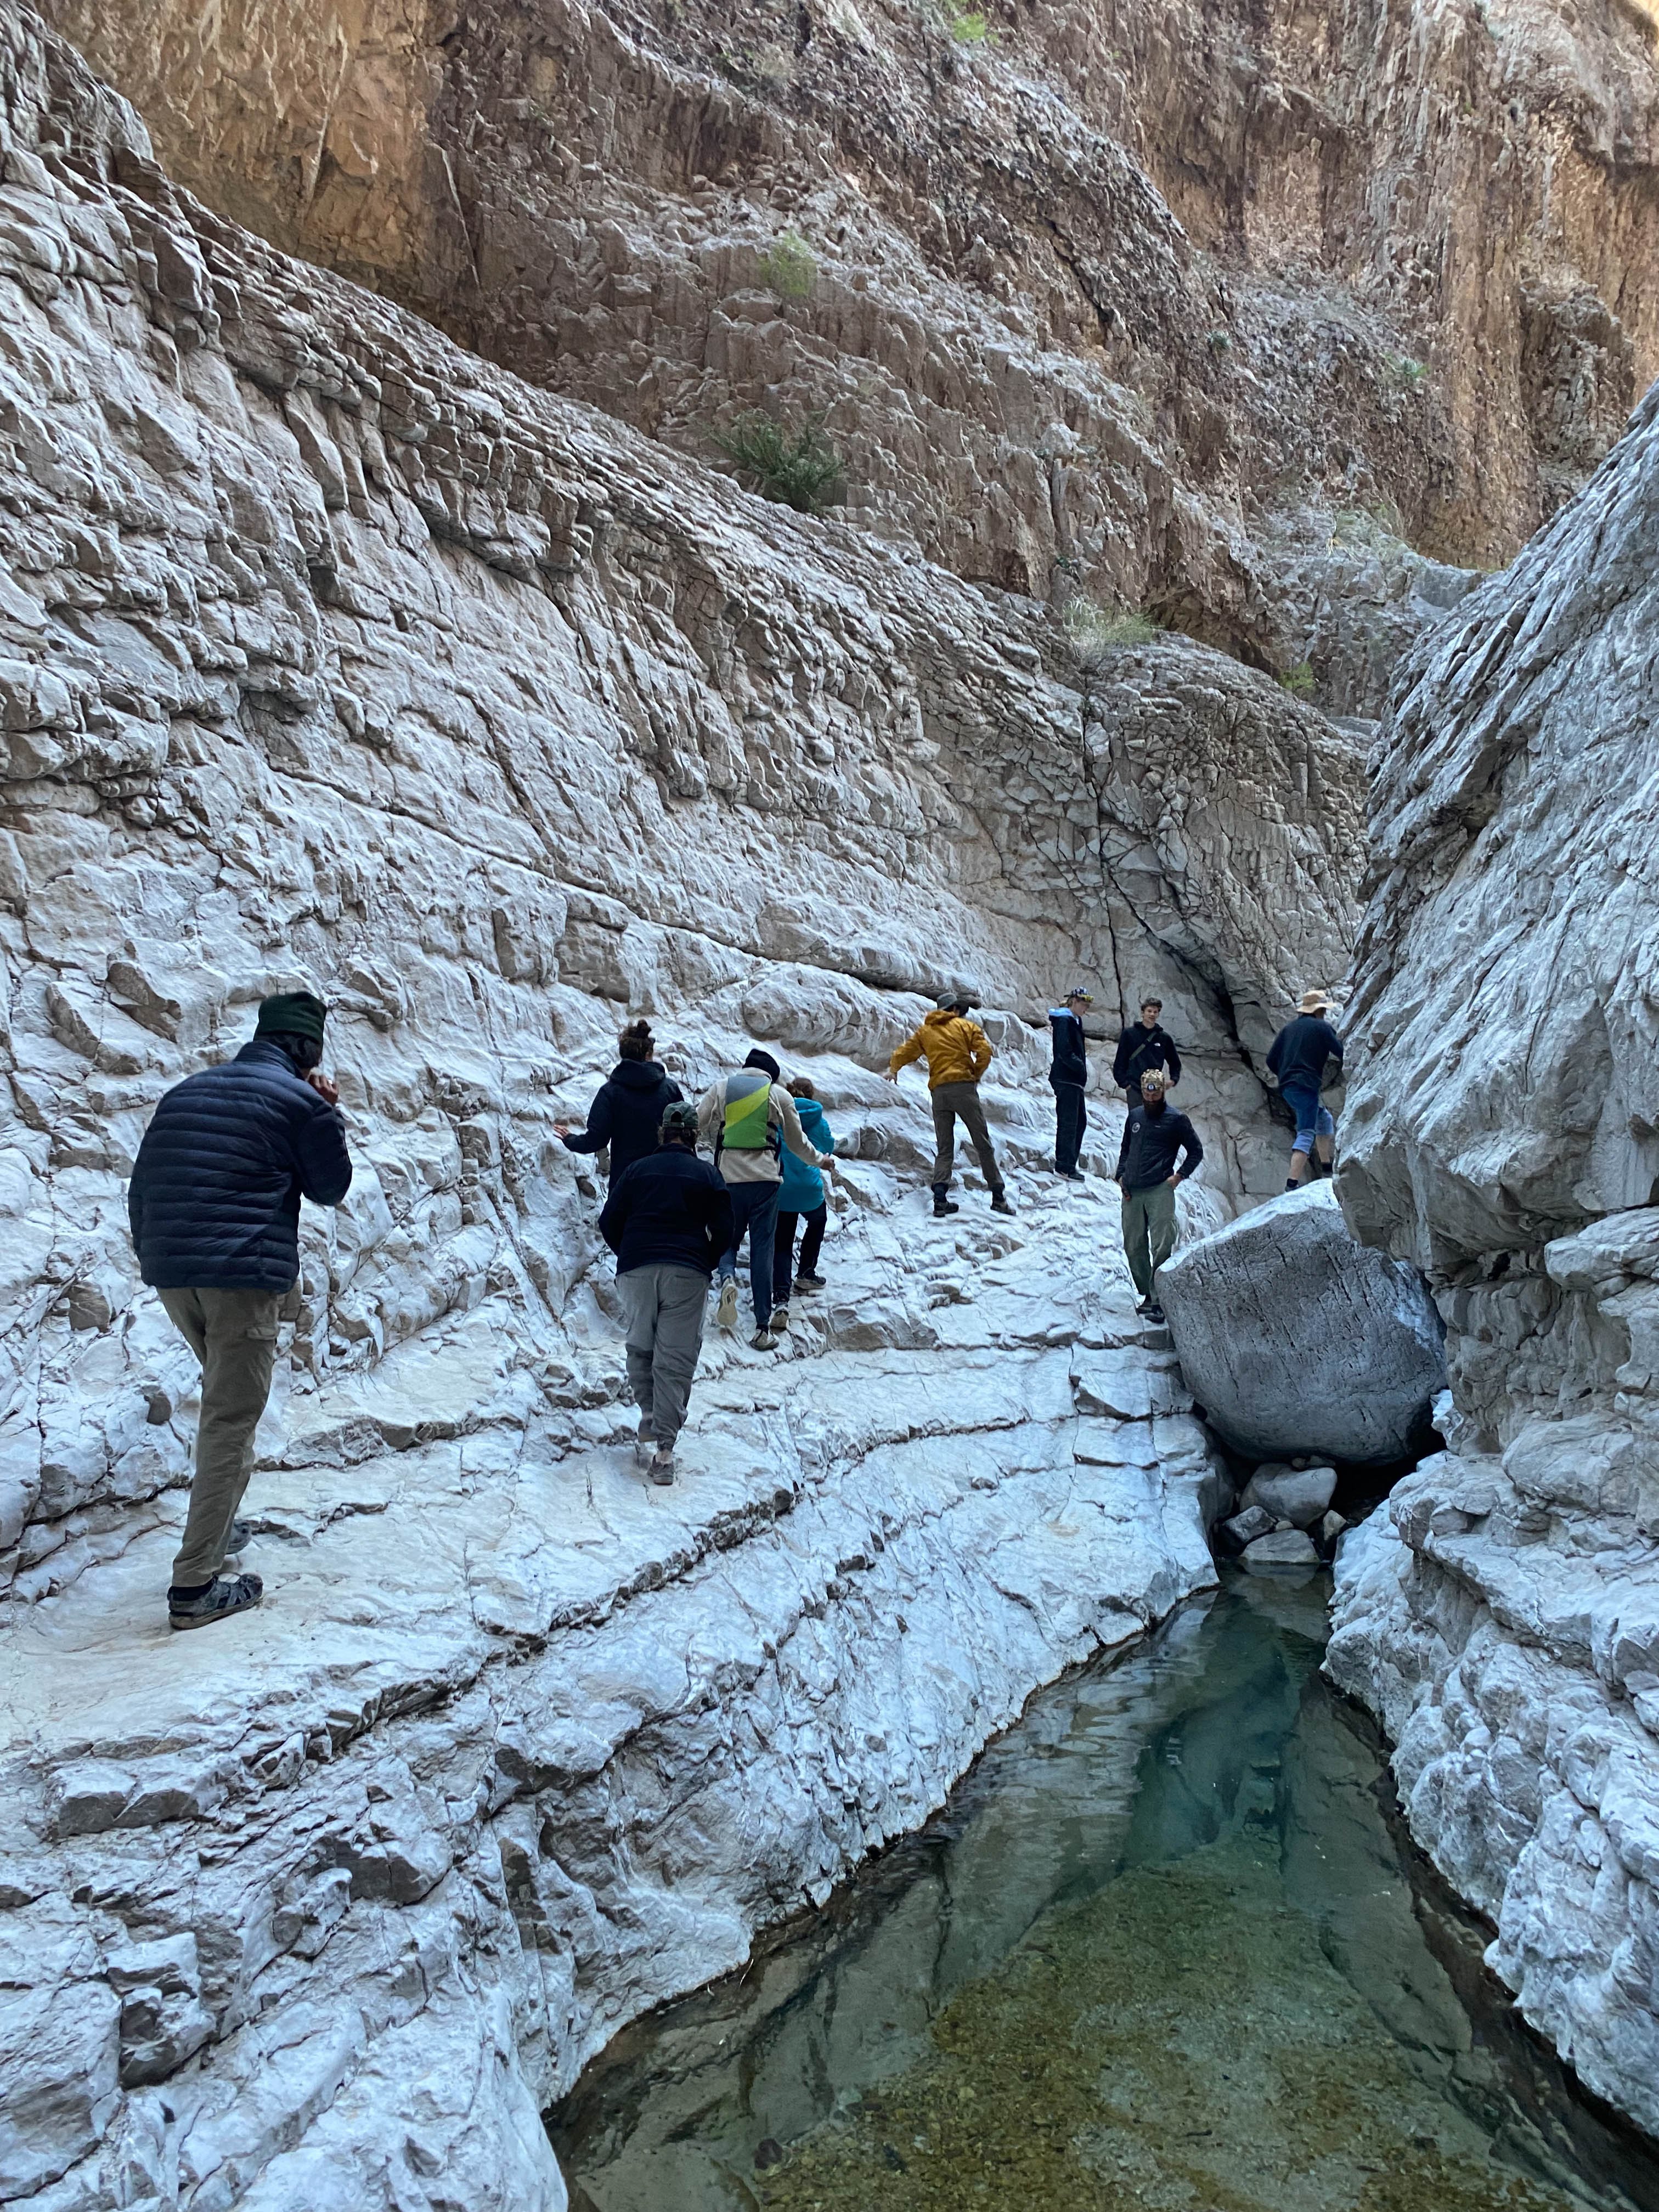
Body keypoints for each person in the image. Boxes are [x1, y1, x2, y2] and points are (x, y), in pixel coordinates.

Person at [127, 991, 352, 1631]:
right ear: (310, 1049)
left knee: (225, 1403)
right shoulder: (304, 1103)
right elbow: (331, 1188)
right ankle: (195, 1586)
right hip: (242, 1276)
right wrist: (328, 1114)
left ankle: (219, 1528)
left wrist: (157, 1256)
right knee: (232, 1420)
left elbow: (141, 1187)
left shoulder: (188, 1091)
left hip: (173, 1272)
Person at [598, 1100, 733, 1486]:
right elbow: (726, 1228)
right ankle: (664, 1453)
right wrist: (704, 1259)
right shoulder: (707, 1175)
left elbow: (609, 1220)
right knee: (674, 1359)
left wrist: (630, 1253)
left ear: (663, 1134)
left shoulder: (636, 1171)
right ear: (694, 1136)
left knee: (641, 1347)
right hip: (686, 1271)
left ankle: (648, 1416)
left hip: (636, 1269)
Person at [696, 1049, 835, 1349]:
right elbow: (798, 1144)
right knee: (762, 1250)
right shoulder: (778, 1094)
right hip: (766, 1183)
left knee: (727, 1240)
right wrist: (820, 1161)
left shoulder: (722, 1088)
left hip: (728, 1180)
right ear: (769, 1075)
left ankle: (727, 1279)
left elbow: (695, 1124)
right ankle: (762, 1328)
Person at [885, 994, 1014, 1218]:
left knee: (945, 1147)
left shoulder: (926, 1032)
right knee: (982, 1143)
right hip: (963, 1088)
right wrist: (975, 1074)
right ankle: (998, 1197)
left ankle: (940, 1199)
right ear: (954, 1009)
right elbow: (985, 1052)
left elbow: (905, 1052)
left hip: (939, 1092)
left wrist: (894, 1069)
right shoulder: (966, 1027)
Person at [1114, 1067, 1203, 1322]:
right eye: (1147, 1091)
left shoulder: (1177, 1120)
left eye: (1156, 1091)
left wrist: (1179, 1177)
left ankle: (1159, 1299)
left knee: (1162, 1244)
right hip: (1131, 1190)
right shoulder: (1135, 1117)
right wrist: (1121, 1176)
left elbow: (1196, 1151)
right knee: (1133, 1245)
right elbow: (1126, 1149)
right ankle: (1147, 1294)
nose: (1151, 1096)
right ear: (1142, 1091)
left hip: (1160, 1189)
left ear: (1163, 1090)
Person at [556, 1018, 682, 1188]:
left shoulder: (610, 1092)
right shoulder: (670, 1089)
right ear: (648, 1054)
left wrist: (570, 1139)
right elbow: (684, 1136)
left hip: (625, 1183)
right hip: (664, 1181)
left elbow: (596, 1140)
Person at [772, 1076, 834, 1330]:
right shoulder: (818, 1120)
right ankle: (806, 1272)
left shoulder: (778, 1115)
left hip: (782, 1186)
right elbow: (828, 1147)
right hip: (809, 1188)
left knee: (783, 1241)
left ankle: (781, 1296)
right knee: (818, 1220)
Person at [1266, 989, 1344, 1190]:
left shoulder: (1288, 1029)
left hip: (1288, 1088)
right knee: (1306, 1132)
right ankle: (1291, 1185)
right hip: (1307, 1086)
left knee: (1323, 1119)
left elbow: (1271, 1060)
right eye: (1323, 1010)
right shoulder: (1322, 1027)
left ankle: (1327, 1170)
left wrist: (1286, 1074)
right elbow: (1341, 1052)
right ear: (1318, 1010)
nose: (1325, 1014)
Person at [1048, 988, 1093, 1179]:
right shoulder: (1065, 1021)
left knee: (1079, 1122)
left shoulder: (1074, 1020)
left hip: (1073, 1080)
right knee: (1069, 1123)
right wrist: (1080, 1067)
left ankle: (1068, 1164)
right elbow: (1064, 1051)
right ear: (1074, 1001)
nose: (1086, 1008)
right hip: (1066, 1078)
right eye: (1084, 1004)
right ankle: (1064, 1167)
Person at [1113, 995, 1182, 1102]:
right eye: (1149, 1011)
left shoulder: (1164, 1038)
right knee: (1137, 1118)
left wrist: (1173, 1080)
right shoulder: (1129, 1034)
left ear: (1159, 1014)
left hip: (1156, 1088)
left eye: (1155, 1012)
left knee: (1156, 1118)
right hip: (1135, 1087)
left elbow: (1175, 1062)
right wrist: (1125, 1084)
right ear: (1143, 1012)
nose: (1152, 1014)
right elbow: (1120, 1061)